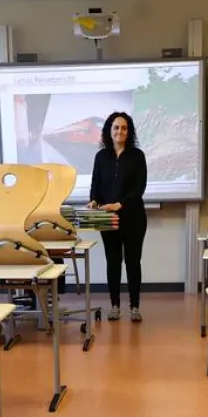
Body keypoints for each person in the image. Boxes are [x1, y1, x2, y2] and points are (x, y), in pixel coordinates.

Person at [88, 112, 148, 322]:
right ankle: (114, 306)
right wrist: (94, 201)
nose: (119, 131)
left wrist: (119, 204)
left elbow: (139, 188)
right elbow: (95, 185)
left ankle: (134, 307)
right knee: (112, 262)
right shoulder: (101, 157)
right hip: (108, 219)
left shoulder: (137, 156)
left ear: (129, 131)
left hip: (133, 218)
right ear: (109, 130)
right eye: (116, 127)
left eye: (124, 128)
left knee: (133, 262)